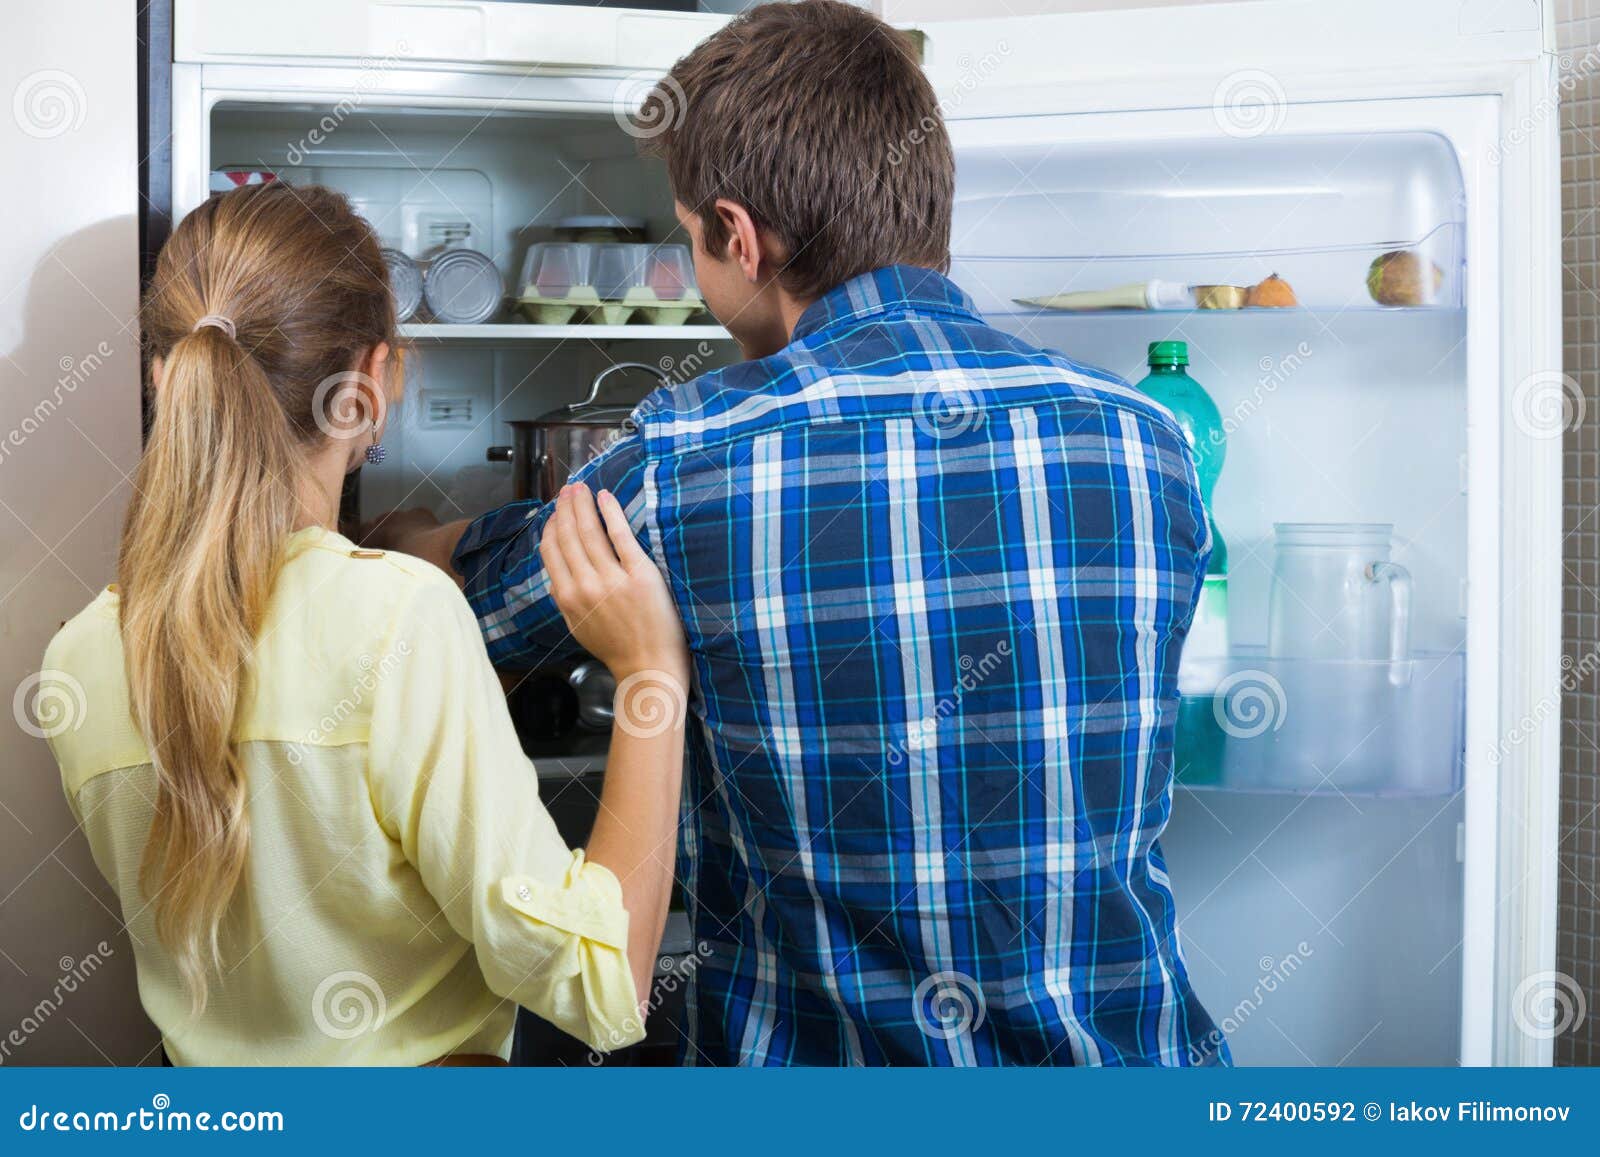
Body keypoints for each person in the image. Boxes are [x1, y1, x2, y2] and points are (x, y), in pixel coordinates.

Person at [373, 0, 1225, 1065]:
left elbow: (455, 613)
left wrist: (404, 527)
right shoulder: (1149, 442)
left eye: (689, 242)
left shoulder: (691, 459)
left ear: (737, 235)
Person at [40, 183, 690, 1065]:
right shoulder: (402, 617)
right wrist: (653, 675)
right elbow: (598, 984)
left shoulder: (78, 655)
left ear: (165, 376)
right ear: (372, 384)